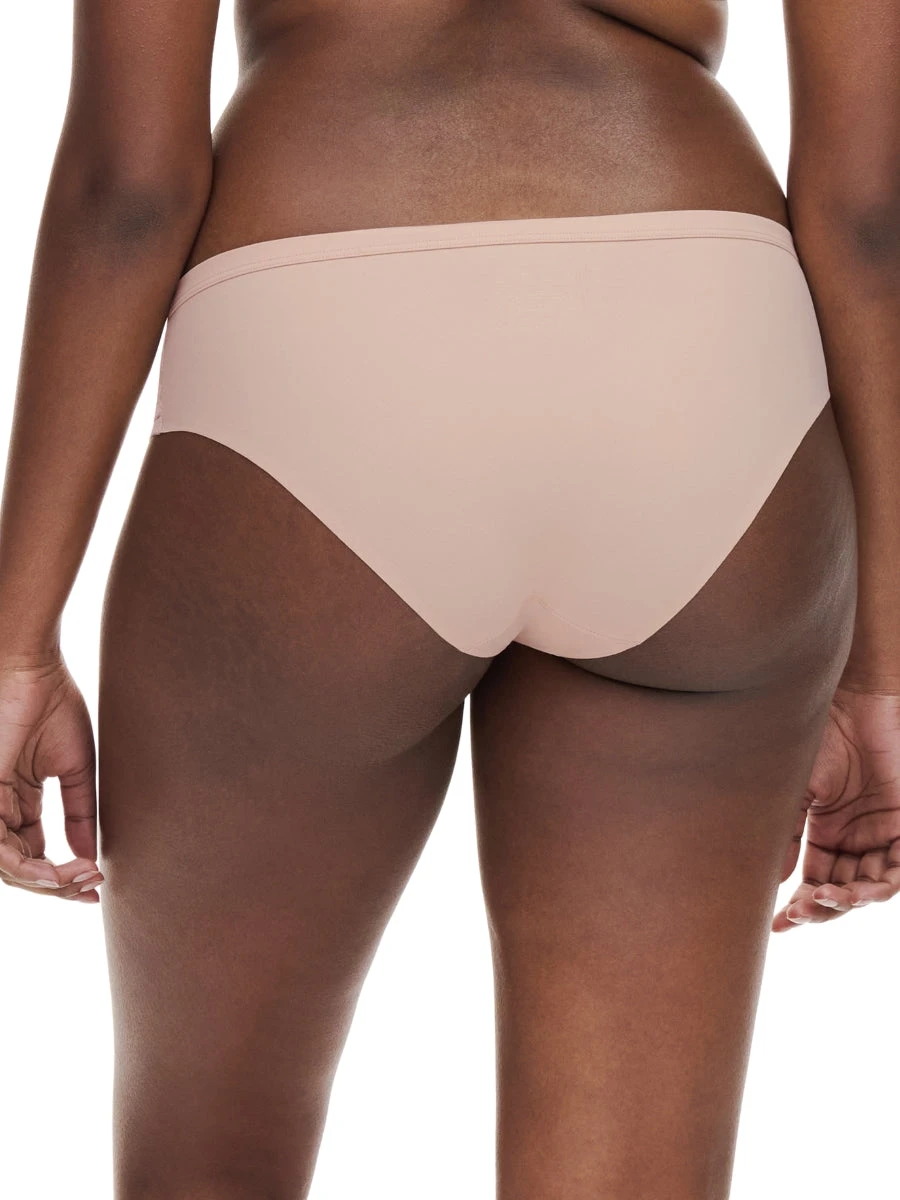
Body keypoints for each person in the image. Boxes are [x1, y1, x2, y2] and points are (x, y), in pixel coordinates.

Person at [0, 1, 897, 1196]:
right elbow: (869, 216)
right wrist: (885, 668)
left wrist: (16, 644)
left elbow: (129, 189)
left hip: (328, 305)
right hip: (699, 338)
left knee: (203, 1164)